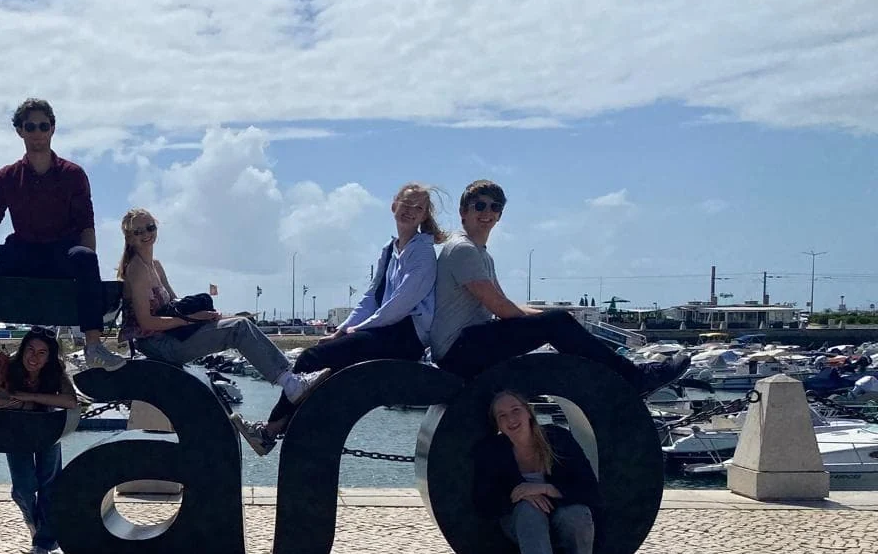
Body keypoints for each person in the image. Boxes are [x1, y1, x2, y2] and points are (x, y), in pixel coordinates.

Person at [231, 183, 446, 456]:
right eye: (406, 204)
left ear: (425, 215)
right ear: (394, 205)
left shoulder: (423, 253)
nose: (410, 211)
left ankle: (269, 432)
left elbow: (401, 304)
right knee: (320, 367)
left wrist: (356, 329)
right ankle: (277, 430)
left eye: (418, 207)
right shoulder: (389, 249)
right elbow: (371, 297)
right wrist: (342, 329)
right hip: (386, 330)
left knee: (310, 359)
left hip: (406, 336)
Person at [0, 100, 128, 390]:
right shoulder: (8, 176)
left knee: (85, 257)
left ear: (53, 129)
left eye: (43, 126)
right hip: (22, 248)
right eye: (30, 126)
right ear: (20, 131)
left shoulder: (73, 174)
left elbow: (87, 225)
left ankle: (94, 348)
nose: (37, 132)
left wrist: (86, 278)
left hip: (62, 250)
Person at [429, 180, 689, 393]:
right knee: (558, 323)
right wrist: (556, 323)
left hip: (466, 346)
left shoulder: (480, 253)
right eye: (479, 206)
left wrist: (561, 320)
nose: (487, 213)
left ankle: (625, 375)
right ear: (463, 212)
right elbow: (501, 309)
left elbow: (506, 304)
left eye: (494, 207)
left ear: (499, 215)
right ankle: (634, 377)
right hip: (459, 350)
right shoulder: (463, 250)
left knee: (559, 322)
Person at [116, 208, 315, 407]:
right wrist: (191, 320)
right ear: (129, 237)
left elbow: (174, 305)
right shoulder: (136, 270)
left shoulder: (155, 265)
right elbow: (146, 322)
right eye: (138, 231)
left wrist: (206, 316)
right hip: (158, 345)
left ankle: (290, 380)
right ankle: (291, 384)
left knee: (239, 322)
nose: (146, 234)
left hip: (173, 335)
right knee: (239, 328)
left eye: (150, 227)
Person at [473, 390, 601, 554]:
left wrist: (544, 489)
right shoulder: (492, 451)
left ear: (529, 412)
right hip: (520, 522)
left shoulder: (558, 440)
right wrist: (516, 494)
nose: (511, 419)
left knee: (578, 514)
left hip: (561, 513)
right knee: (529, 513)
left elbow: (588, 488)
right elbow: (484, 501)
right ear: (497, 424)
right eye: (502, 416)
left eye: (516, 410)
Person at [0, 326, 79, 554]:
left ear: (49, 357)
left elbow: (71, 401)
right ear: (22, 350)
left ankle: (43, 542)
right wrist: (8, 404)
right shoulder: (7, 368)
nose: (34, 357)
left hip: (48, 430)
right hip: (16, 432)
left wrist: (30, 397)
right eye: (30, 350)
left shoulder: (55, 371)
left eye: (42, 353)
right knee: (24, 487)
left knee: (49, 485)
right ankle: (34, 522)